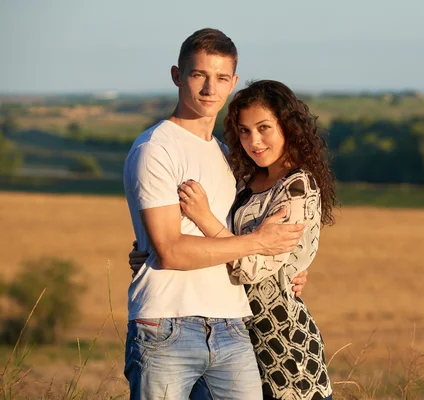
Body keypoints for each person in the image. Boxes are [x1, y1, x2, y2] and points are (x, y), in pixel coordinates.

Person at [122, 29, 308, 400]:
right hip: (166, 324)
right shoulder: (156, 149)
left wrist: (289, 265)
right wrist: (257, 243)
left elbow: (257, 224)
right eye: (199, 75)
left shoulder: (228, 155)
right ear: (177, 76)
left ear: (233, 82)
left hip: (233, 323)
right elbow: (172, 251)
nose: (210, 89)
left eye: (221, 78)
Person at [168, 80, 337, 399]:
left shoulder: (297, 188)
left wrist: (204, 217)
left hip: (284, 349)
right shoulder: (247, 179)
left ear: (287, 125)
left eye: (263, 128)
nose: (254, 141)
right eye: (244, 131)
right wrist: (157, 253)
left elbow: (252, 269)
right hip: (235, 342)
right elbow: (232, 248)